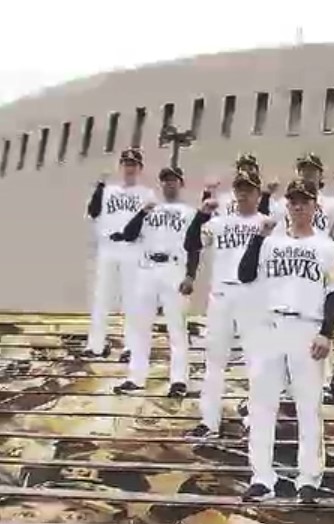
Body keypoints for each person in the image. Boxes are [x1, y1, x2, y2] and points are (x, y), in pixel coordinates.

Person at [236, 178, 334, 503]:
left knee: (308, 407)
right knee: (262, 405)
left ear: (315, 206)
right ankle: (261, 476)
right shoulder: (271, 242)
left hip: (307, 326)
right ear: (287, 205)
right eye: (293, 201)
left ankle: (308, 478)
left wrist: (327, 331)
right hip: (271, 324)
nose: (298, 206)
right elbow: (244, 274)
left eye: (304, 201)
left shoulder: (329, 247)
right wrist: (258, 238)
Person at [182, 169, 269, 440]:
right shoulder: (219, 222)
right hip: (221, 295)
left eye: (249, 189)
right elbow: (191, 242)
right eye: (239, 189)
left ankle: (256, 420)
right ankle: (209, 422)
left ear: (258, 194)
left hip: (253, 295)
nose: (243, 194)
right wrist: (201, 214)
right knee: (214, 361)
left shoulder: (269, 223)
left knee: (256, 361)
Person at [266, 153, 334, 401]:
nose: (307, 173)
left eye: (312, 169)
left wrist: (323, 251)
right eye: (303, 169)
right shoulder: (284, 204)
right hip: (292, 264)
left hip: (321, 262)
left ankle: (324, 382)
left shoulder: (332, 204)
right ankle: (284, 384)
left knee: (323, 322)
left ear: (320, 173)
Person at [113, 166, 194, 398]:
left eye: (173, 180)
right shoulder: (150, 209)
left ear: (181, 183)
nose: (169, 184)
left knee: (176, 327)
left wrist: (190, 274)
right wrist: (141, 213)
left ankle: (179, 380)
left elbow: (194, 246)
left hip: (174, 267)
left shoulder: (188, 212)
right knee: (141, 325)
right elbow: (128, 235)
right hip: (148, 268)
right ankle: (136, 377)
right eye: (165, 180)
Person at [83, 147, 156, 359]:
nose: (129, 168)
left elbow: (150, 225)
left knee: (132, 299)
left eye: (133, 164)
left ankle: (131, 346)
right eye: (126, 164)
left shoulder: (147, 194)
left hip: (132, 248)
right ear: (121, 166)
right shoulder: (108, 190)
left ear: (140, 168)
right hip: (108, 246)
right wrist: (99, 185)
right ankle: (95, 345)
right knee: (101, 296)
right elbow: (93, 211)